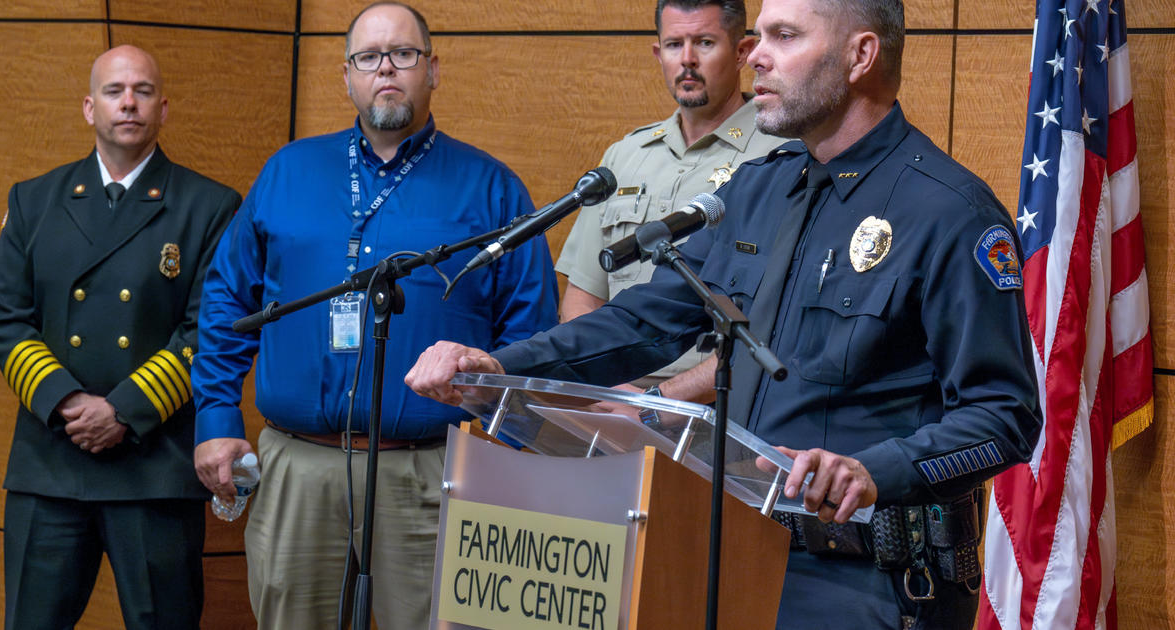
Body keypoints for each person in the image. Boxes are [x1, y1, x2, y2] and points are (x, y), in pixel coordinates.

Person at [405, 0, 1043, 627]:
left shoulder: (950, 213)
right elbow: (647, 321)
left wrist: (871, 473)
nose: (756, 55)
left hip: (866, 582)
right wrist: (500, 367)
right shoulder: (760, 186)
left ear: (860, 56)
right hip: (730, 554)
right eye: (758, 35)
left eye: (785, 37)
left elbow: (1005, 417)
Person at [189, 2, 559, 628]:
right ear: (347, 76)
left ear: (433, 68)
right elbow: (228, 298)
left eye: (404, 54)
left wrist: (504, 462)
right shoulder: (287, 171)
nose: (386, 68)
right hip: (298, 469)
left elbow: (530, 331)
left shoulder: (492, 188)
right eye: (368, 57)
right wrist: (217, 416)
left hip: (429, 474)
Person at [0, 45, 241, 629]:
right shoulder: (34, 200)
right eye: (114, 91)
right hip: (50, 462)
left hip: (153, 467)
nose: (128, 102)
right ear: (88, 107)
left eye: (143, 91)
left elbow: (210, 328)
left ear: (164, 108)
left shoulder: (210, 207)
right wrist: (69, 403)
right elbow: (4, 318)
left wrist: (123, 410)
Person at [557, 0, 786, 403]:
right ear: (657, 53)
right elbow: (583, 295)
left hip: (725, 404)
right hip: (613, 401)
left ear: (742, 52)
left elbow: (781, 325)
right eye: (674, 45)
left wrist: (660, 404)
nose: (688, 60)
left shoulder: (783, 155)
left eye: (705, 43)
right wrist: (616, 394)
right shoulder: (624, 156)